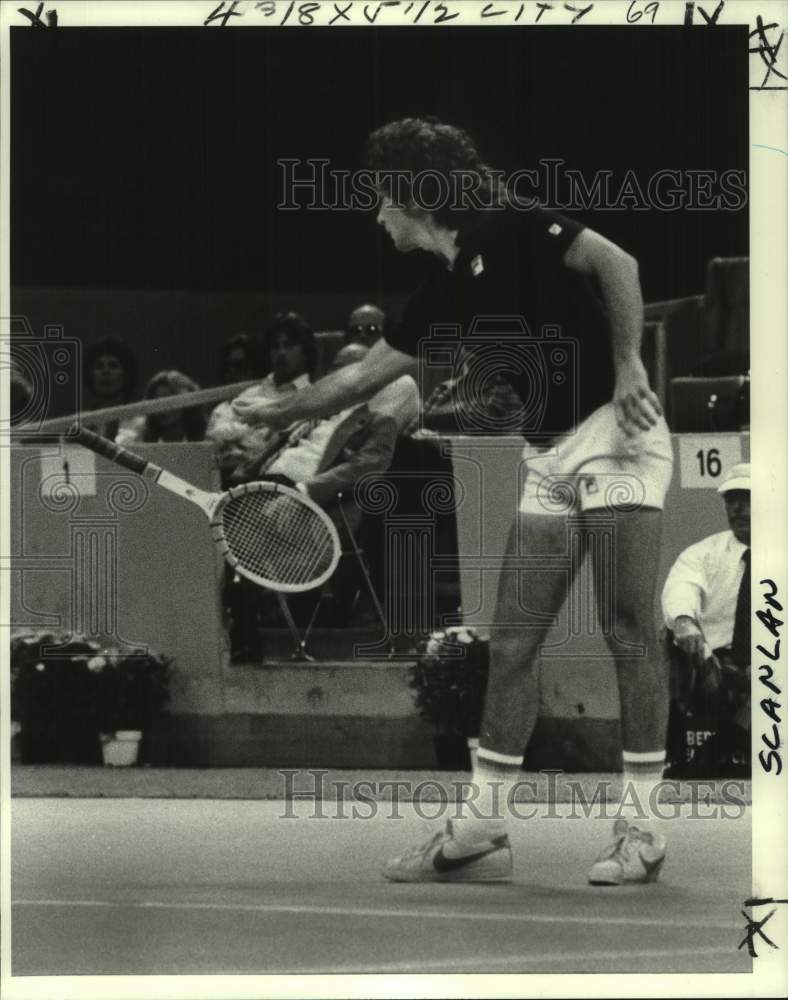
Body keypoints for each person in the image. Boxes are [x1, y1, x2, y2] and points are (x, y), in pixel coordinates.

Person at [233, 117, 673, 886]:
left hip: (617, 431)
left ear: (414, 194)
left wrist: (632, 365)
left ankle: (641, 828)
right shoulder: (441, 290)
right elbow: (361, 378)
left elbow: (619, 263)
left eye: (382, 201)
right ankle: (482, 832)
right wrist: (276, 412)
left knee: (628, 628)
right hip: (548, 453)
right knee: (510, 643)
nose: (377, 217)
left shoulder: (513, 225)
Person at [661, 462, 750, 775]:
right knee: (666, 638)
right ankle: (676, 753)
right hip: (712, 667)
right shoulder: (703, 554)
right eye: (732, 499)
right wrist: (684, 621)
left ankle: (718, 750)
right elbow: (681, 588)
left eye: (748, 498)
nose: (738, 509)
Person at [206, 313, 314, 485]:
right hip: (228, 480)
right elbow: (214, 440)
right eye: (275, 347)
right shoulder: (249, 395)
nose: (281, 353)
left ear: (305, 352)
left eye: (289, 345)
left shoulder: (312, 399)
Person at [344, 304, 420, 434]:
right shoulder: (336, 377)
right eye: (356, 330)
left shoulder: (402, 382)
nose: (362, 335)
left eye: (372, 329)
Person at [116, 370, 205, 444]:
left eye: (167, 399)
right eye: (157, 400)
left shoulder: (206, 437)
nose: (162, 409)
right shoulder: (136, 437)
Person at [82, 336, 139, 440]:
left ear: (126, 374)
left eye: (113, 365)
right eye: (99, 366)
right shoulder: (80, 423)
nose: (106, 371)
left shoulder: (141, 422)